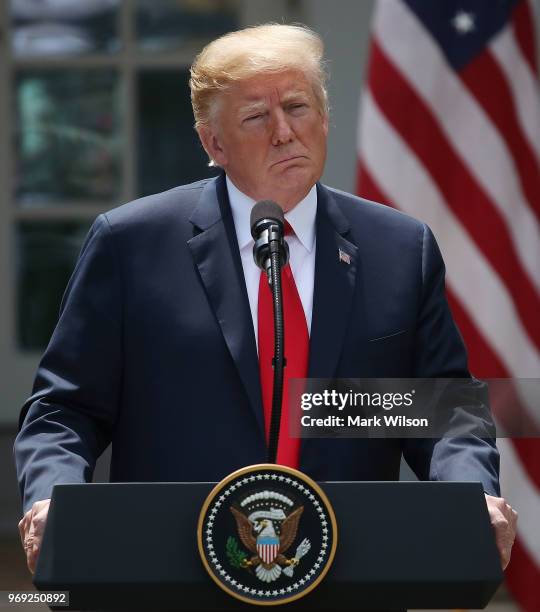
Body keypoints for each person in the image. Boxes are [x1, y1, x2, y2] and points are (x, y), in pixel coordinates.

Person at [15, 23, 517, 576]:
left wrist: (470, 495)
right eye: (256, 116)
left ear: (325, 118)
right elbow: (65, 409)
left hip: (350, 574)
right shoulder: (130, 244)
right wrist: (51, 496)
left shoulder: (400, 248)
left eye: (298, 107)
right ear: (214, 144)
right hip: (170, 575)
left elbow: (444, 413)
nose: (284, 132)